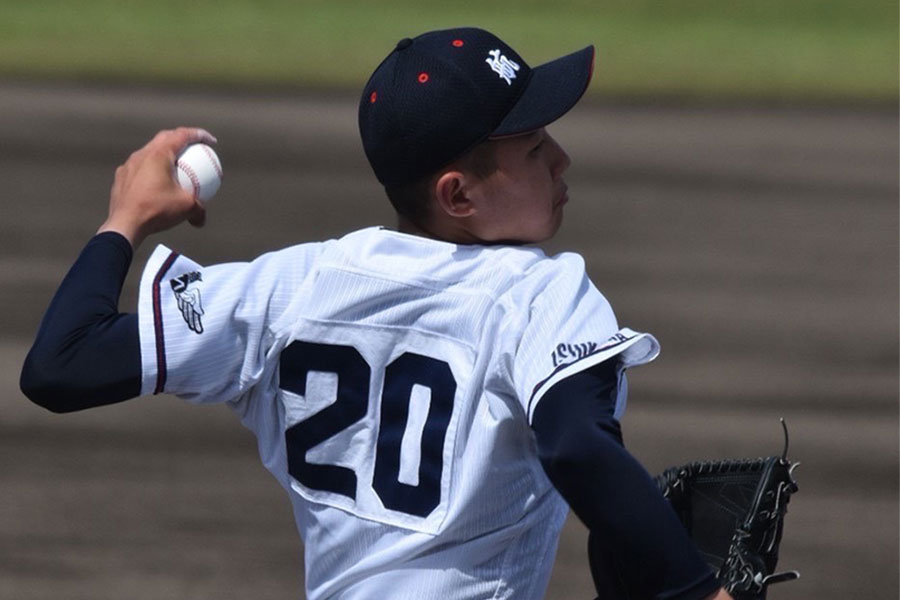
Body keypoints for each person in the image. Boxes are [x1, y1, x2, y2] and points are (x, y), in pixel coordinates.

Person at [21, 27, 732, 600]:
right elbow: (577, 445)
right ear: (458, 195)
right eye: (535, 147)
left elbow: (62, 365)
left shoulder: (288, 287)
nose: (563, 159)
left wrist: (124, 222)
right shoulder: (538, 293)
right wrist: (697, 590)